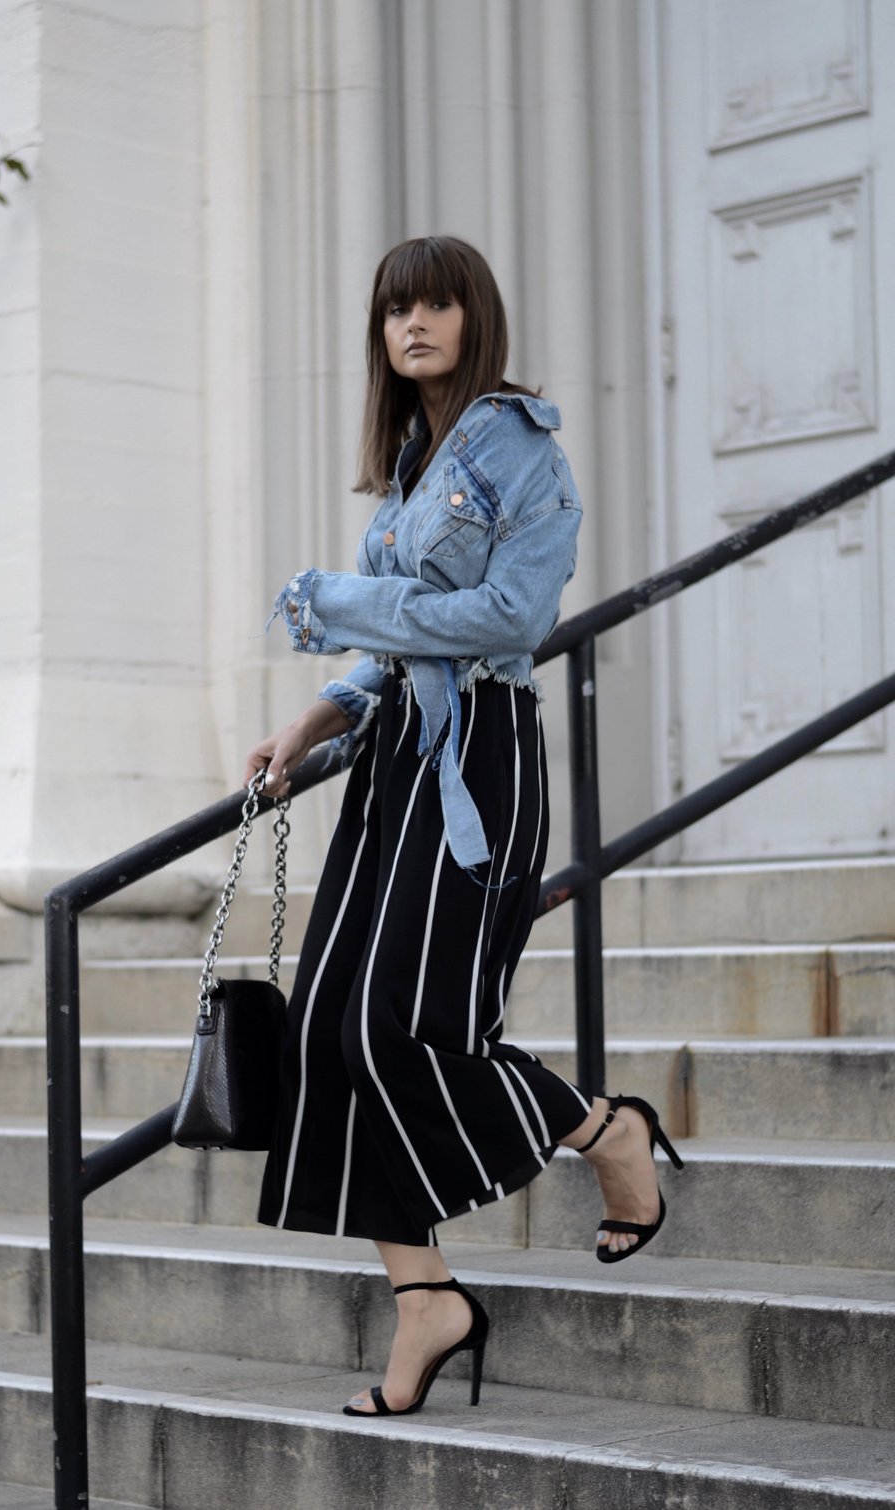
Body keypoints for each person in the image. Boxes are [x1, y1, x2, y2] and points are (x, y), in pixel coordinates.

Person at [244, 235, 681, 1418]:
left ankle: (606, 1130)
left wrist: (337, 600)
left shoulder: (520, 447)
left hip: (478, 760)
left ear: (473, 316)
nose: (415, 324)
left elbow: (506, 616)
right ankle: (424, 1295)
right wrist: (317, 714)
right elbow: (403, 647)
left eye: (437, 304)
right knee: (325, 1033)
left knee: (404, 1026)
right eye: (396, 309)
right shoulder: (408, 462)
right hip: (393, 760)